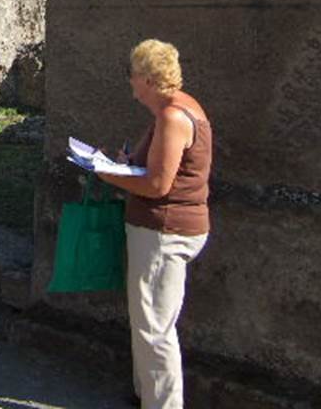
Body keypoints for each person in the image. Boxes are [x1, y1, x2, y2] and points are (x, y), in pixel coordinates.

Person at [97, 39, 212, 409]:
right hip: (164, 229)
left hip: (165, 232)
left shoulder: (172, 117)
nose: (129, 81)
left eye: (131, 73)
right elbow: (159, 170)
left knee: (154, 329)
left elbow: (158, 185)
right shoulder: (174, 110)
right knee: (148, 321)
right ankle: (144, 394)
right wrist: (128, 162)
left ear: (146, 78)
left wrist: (107, 174)